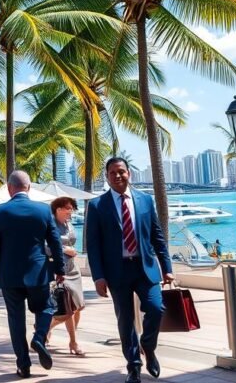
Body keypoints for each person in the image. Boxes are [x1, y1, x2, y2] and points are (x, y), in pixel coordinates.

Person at [86, 157, 174, 383]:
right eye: (112, 173)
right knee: (125, 321)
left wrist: (167, 267)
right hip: (117, 272)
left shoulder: (145, 200)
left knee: (156, 309)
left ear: (129, 174)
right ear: (107, 177)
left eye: (121, 172)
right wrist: (98, 277)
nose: (118, 176)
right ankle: (133, 367)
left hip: (145, 268)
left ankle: (148, 346)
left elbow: (157, 236)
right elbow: (93, 246)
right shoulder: (97, 206)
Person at [0, 170, 65, 379]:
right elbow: (55, 242)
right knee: (46, 307)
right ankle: (39, 337)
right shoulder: (44, 210)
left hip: (10, 276)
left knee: (16, 320)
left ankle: (23, 364)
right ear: (29, 188)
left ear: (10, 189)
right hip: (38, 274)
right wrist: (59, 270)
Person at [47, 196, 86, 356]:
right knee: (68, 308)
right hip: (59, 269)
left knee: (78, 307)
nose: (71, 211)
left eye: (72, 208)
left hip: (73, 268)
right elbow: (44, 246)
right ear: (58, 209)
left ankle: (45, 328)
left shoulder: (68, 224)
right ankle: (73, 341)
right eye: (68, 208)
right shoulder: (50, 224)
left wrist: (71, 250)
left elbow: (71, 242)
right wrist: (64, 250)